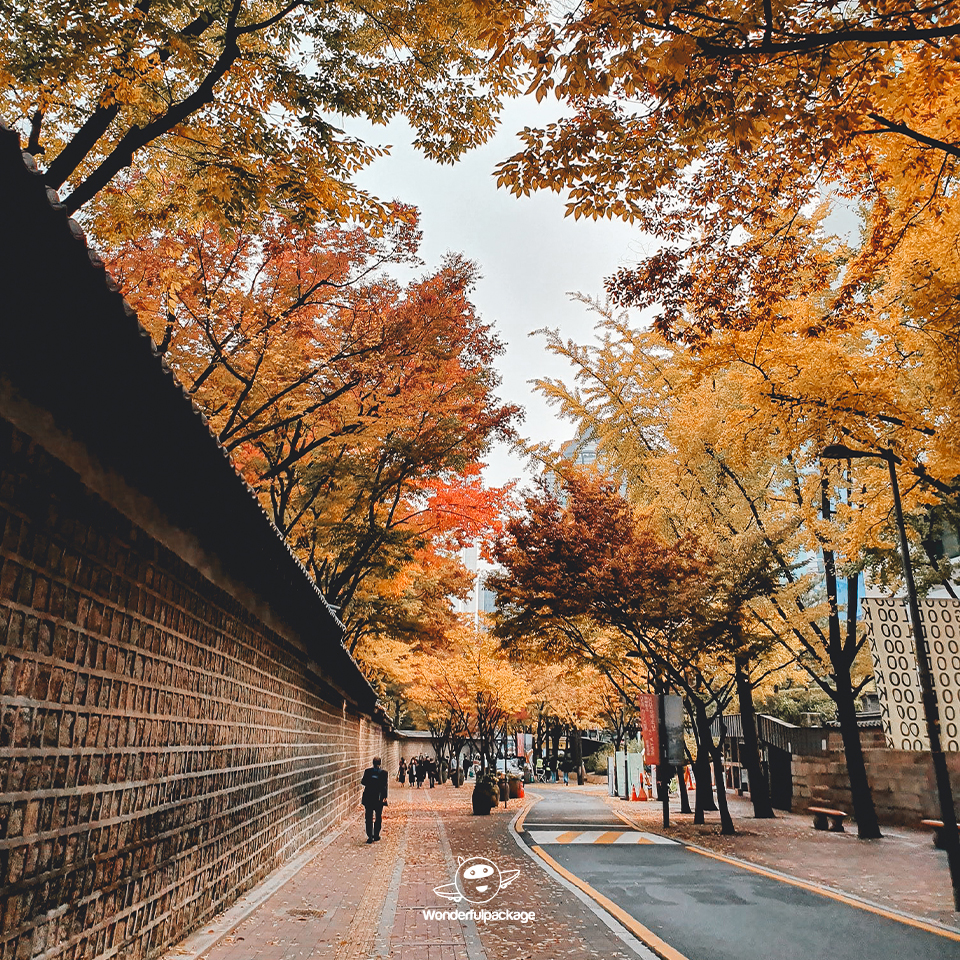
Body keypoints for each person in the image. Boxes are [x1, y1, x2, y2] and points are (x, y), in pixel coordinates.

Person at [360, 756, 388, 843]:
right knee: (378, 816)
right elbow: (385, 786)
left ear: (373, 763)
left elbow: (363, 782)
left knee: (368, 817)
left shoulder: (367, 771)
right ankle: (376, 835)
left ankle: (370, 836)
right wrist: (385, 797)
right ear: (380, 763)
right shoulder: (384, 773)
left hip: (368, 797)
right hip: (378, 798)